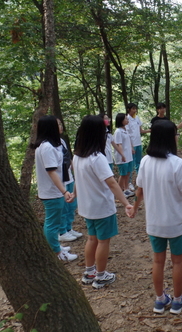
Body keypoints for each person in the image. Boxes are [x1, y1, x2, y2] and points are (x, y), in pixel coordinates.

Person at [126, 120, 182, 315]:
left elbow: (139, 190)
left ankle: (159, 300)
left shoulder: (145, 161)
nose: (177, 137)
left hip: (154, 223)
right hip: (176, 223)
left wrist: (134, 207)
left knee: (158, 261)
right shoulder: (177, 164)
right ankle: (177, 301)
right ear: (169, 138)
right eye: (175, 134)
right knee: (177, 262)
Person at [73, 115, 133, 289]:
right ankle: (100, 276)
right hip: (101, 207)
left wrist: (74, 194)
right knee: (103, 241)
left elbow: (78, 179)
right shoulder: (97, 158)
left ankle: (89, 272)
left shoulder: (78, 156)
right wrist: (126, 203)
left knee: (92, 239)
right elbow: (112, 183)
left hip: (87, 207)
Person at [33, 115, 77, 262]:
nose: (60, 126)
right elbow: (51, 172)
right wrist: (64, 191)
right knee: (52, 223)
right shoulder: (46, 148)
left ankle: (56, 246)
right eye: (56, 124)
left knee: (56, 221)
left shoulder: (52, 145)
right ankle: (57, 253)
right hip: (52, 192)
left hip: (56, 190)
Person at [56, 118, 83, 243]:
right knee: (63, 207)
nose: (61, 126)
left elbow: (68, 157)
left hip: (69, 177)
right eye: (58, 124)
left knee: (71, 204)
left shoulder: (61, 141)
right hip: (60, 181)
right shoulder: (47, 145)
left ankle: (68, 227)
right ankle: (62, 231)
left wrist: (75, 170)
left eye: (61, 124)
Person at [126, 103, 150, 191]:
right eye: (133, 109)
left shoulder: (137, 118)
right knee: (131, 164)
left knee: (138, 163)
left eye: (135, 108)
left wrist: (150, 130)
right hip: (131, 145)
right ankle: (129, 183)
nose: (135, 110)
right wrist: (131, 146)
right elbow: (127, 134)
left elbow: (141, 131)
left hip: (138, 143)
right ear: (129, 109)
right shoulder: (126, 119)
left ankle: (140, 181)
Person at [114, 113, 134, 198]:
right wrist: (122, 155)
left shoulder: (125, 129)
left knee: (128, 173)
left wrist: (132, 148)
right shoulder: (118, 131)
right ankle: (118, 192)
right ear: (121, 121)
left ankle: (126, 189)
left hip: (128, 156)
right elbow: (119, 144)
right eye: (125, 119)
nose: (127, 120)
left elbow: (128, 141)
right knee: (123, 174)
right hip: (122, 156)